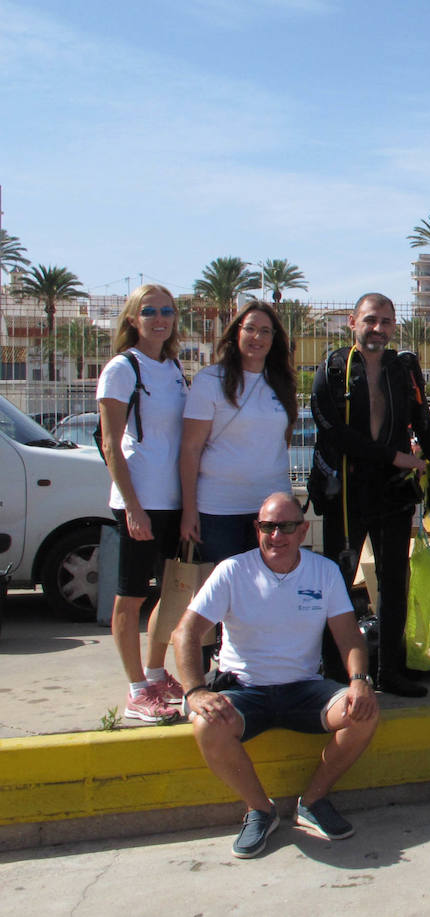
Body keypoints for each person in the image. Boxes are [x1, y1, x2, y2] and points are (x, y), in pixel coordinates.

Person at [175, 493, 379, 859]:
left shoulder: (324, 571)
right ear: (257, 530)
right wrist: (194, 691)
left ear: (302, 531)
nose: (276, 536)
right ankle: (260, 810)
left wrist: (360, 680)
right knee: (206, 725)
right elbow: (185, 633)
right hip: (245, 691)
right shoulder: (233, 571)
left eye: (286, 527)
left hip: (305, 689)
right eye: (267, 527)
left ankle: (313, 801)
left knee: (364, 712)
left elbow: (349, 637)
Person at [310, 292, 430, 698]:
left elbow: (425, 424)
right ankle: (334, 673)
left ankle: (390, 670)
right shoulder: (331, 370)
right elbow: (335, 434)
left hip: (392, 493)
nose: (378, 329)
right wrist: (396, 457)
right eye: (370, 320)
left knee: (395, 583)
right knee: (338, 582)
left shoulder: (403, 369)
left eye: (386, 322)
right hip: (347, 492)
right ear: (353, 321)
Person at [97, 283, 189, 724]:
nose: (159, 318)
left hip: (172, 499)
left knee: (172, 592)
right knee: (130, 596)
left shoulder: (172, 367)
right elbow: (110, 444)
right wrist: (132, 506)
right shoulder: (121, 368)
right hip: (139, 500)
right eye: (149, 311)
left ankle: (155, 673)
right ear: (133, 318)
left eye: (166, 311)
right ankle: (136, 690)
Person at [180, 301, 296, 563]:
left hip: (271, 512)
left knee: (267, 590)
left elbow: (282, 440)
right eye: (251, 329)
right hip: (219, 510)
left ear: (274, 338)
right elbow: (190, 449)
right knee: (225, 596)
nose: (258, 337)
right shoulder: (210, 381)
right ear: (237, 332)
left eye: (266, 331)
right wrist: (189, 511)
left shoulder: (282, 382)